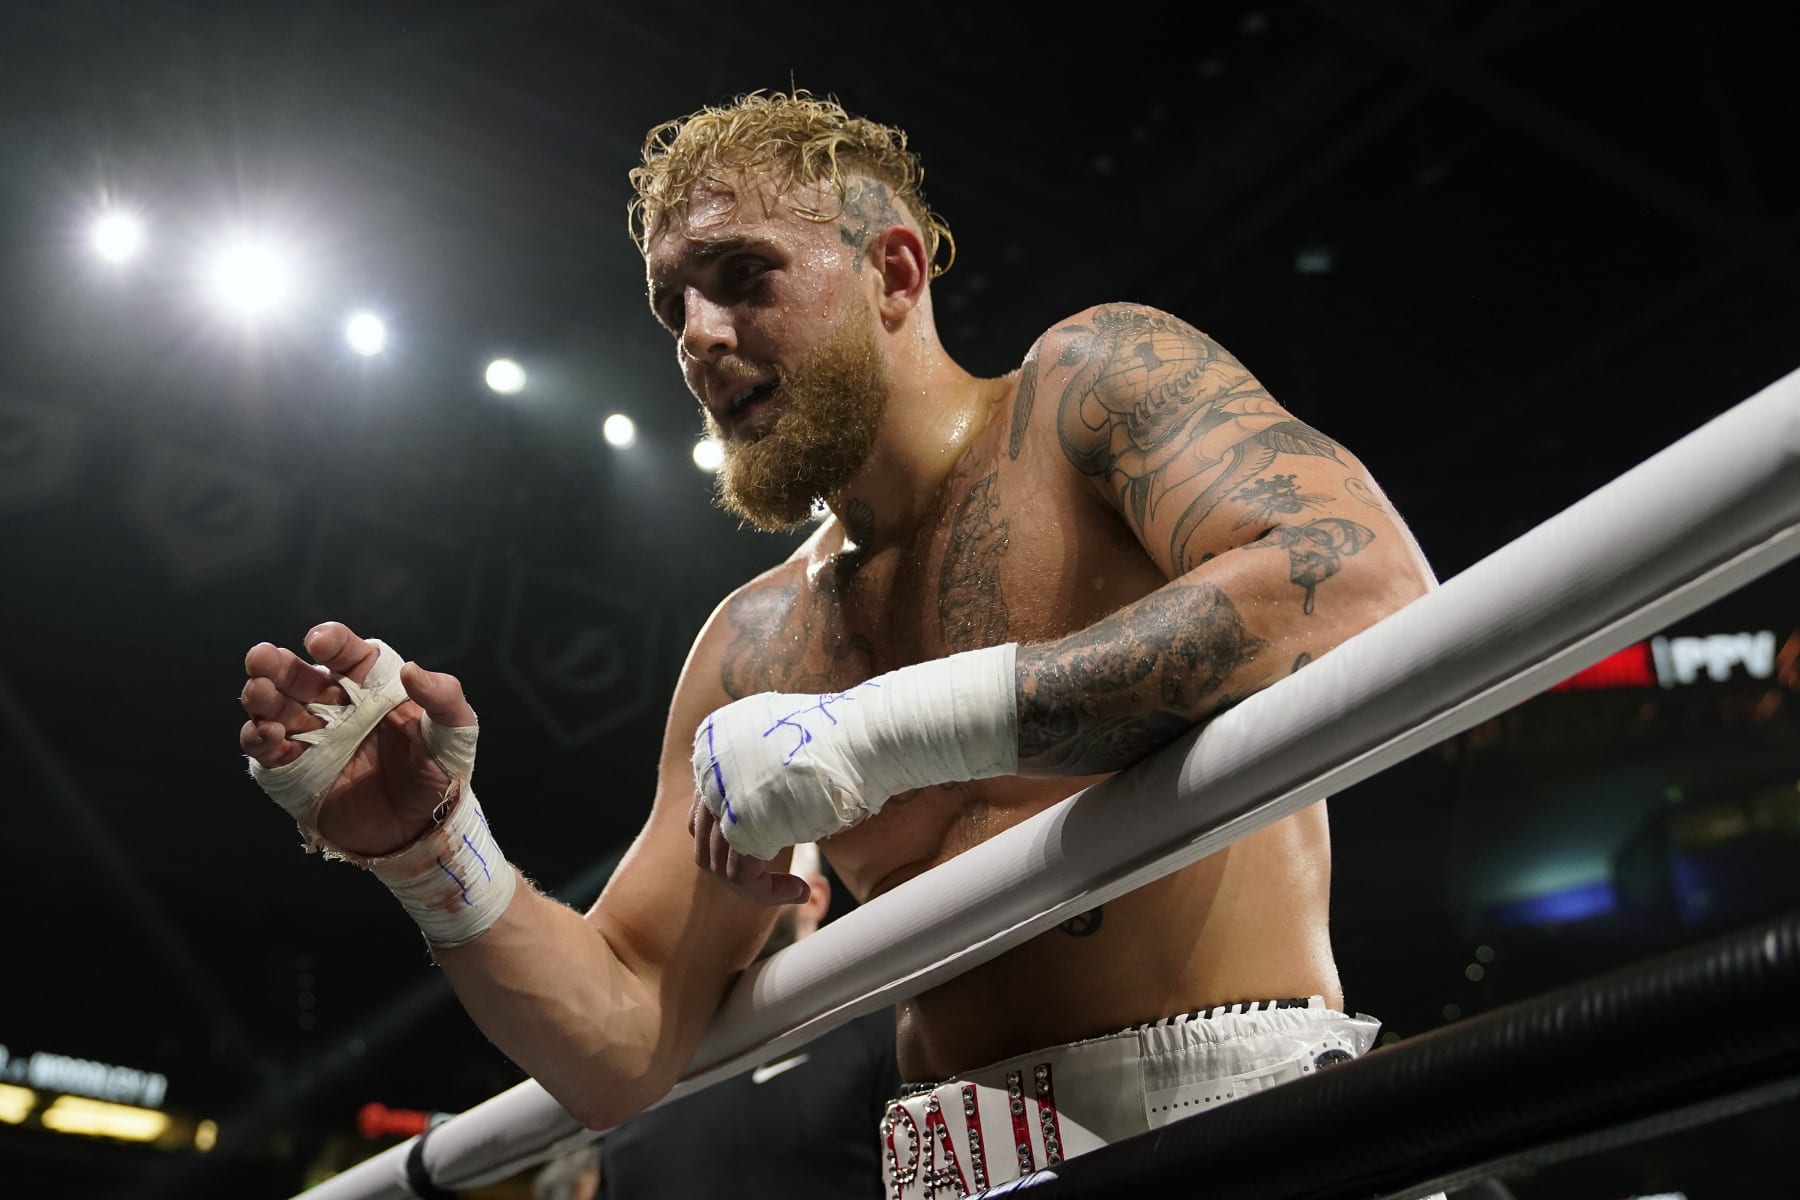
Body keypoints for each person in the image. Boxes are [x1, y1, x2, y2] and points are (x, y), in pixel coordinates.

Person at [237, 90, 1437, 1196]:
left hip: (1230, 1115)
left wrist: (880, 732)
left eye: (741, 275)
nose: (699, 336)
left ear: (895, 272)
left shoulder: (1090, 388)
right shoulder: (756, 645)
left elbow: (1361, 584)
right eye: (673, 305)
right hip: (950, 1162)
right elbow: (628, 1036)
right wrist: (431, 853)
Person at [595, 842, 899, 1198]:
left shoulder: (872, 1020)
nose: (739, 877)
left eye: (767, 855)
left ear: (814, 899)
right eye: (724, 866)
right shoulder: (649, 1073)